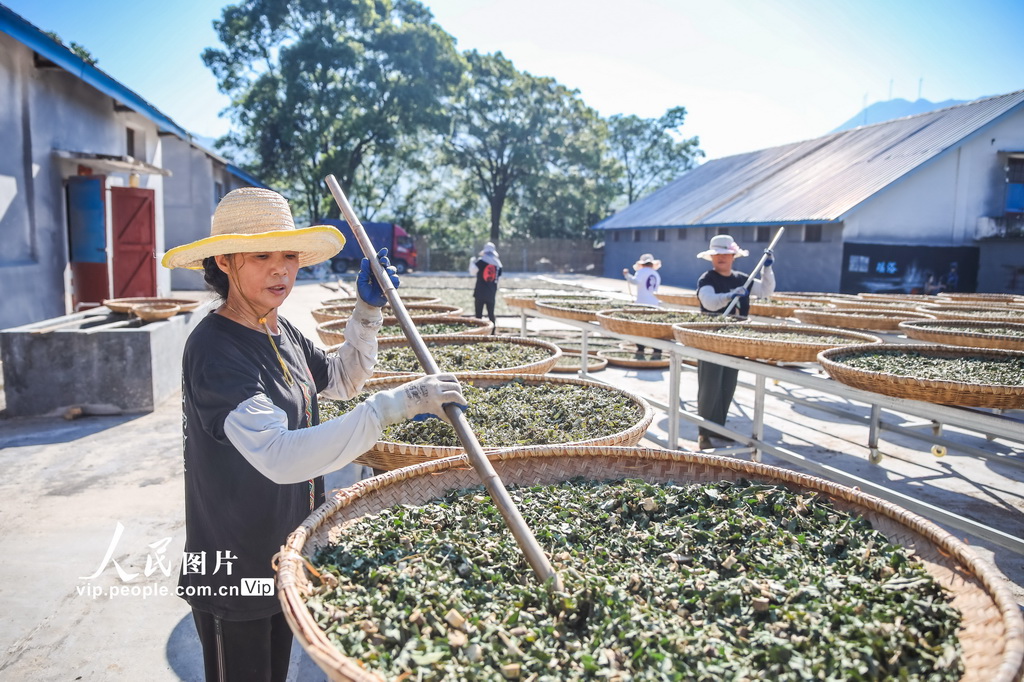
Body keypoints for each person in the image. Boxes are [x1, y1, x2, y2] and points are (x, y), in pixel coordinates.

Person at [161, 187, 466, 682]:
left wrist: (367, 311)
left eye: (288, 256)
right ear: (224, 260)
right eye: (261, 256)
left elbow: (343, 378)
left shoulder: (279, 330)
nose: (281, 269)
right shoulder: (215, 350)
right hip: (234, 567)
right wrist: (396, 405)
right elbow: (280, 456)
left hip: (284, 551)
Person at [694, 235, 776, 451]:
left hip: (735, 340)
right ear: (711, 258)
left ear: (733, 256)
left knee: (727, 385)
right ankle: (704, 433)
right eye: (717, 254)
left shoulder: (742, 279)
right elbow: (709, 303)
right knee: (710, 386)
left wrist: (766, 269)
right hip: (711, 338)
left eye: (726, 254)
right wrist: (730, 295)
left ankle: (718, 429)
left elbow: (766, 292)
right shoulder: (707, 279)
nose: (721, 258)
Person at [622, 253, 663, 359]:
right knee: (654, 327)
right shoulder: (655, 274)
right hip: (654, 303)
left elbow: (635, 281)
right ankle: (657, 349)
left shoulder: (641, 272)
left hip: (642, 303)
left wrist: (627, 275)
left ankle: (640, 347)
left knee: (640, 327)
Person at [469, 241, 502, 332]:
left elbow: (472, 272)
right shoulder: (498, 266)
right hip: (491, 293)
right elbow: (498, 279)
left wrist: (472, 262)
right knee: (491, 314)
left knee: (478, 315)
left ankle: (478, 331)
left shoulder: (480, 262)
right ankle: (493, 332)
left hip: (480, 292)